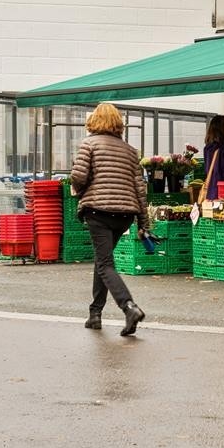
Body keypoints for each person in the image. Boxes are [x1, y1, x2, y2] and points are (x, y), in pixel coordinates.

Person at [70, 102, 149, 336]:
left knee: (105, 264)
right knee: (102, 260)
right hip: (124, 215)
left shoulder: (89, 144)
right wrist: (144, 224)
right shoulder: (130, 151)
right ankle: (95, 314)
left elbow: (78, 175)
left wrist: (78, 188)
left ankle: (129, 306)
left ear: (94, 121)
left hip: (99, 211)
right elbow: (140, 189)